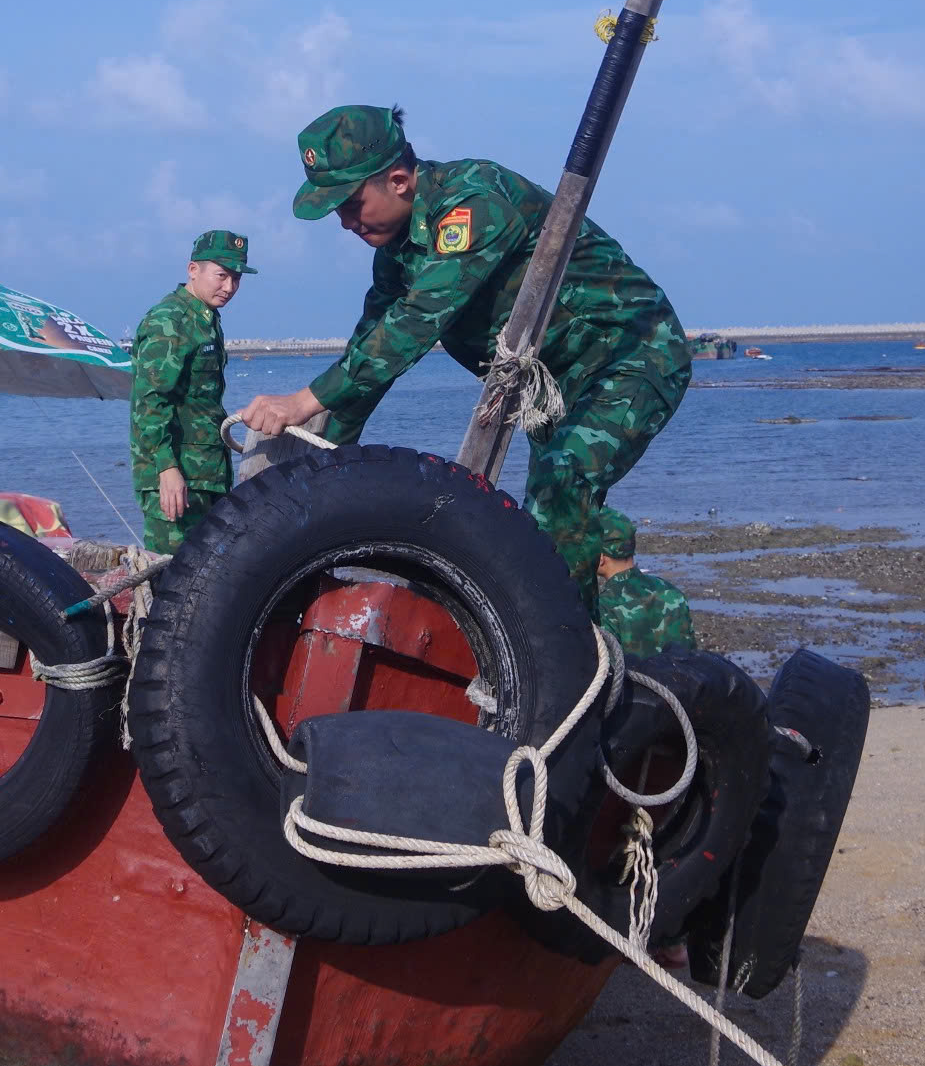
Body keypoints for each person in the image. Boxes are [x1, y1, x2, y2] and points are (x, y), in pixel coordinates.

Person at [239, 104, 691, 619]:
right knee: (545, 526)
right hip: (557, 386)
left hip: (631, 354)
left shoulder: (475, 202)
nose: (344, 222)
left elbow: (416, 322)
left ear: (400, 179)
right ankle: (563, 641)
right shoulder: (397, 253)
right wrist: (317, 455)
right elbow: (371, 344)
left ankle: (568, 659)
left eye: (349, 203)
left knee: (559, 491)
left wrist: (301, 402)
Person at [129, 230, 252, 555]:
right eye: (222, 275)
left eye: (236, 278)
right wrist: (167, 469)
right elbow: (150, 402)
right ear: (192, 270)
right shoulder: (170, 321)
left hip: (206, 474)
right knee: (172, 581)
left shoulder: (205, 318)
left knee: (206, 584)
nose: (229, 287)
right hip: (175, 476)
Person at [588, 509, 698, 658]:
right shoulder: (672, 593)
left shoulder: (604, 608)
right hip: (680, 680)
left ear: (600, 557)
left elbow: (610, 669)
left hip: (634, 681)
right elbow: (691, 656)